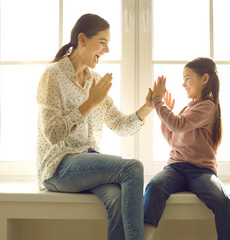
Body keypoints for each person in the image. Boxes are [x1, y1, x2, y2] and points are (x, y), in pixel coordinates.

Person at [36, 14, 153, 240]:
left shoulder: (96, 81)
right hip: (58, 166)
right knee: (132, 167)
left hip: (87, 164)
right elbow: (52, 134)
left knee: (118, 199)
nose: (107, 50)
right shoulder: (53, 76)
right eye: (102, 42)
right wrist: (90, 103)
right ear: (82, 39)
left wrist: (147, 107)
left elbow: (120, 125)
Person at [143, 57, 230, 240]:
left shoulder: (207, 107)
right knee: (154, 186)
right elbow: (173, 138)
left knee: (222, 200)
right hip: (176, 168)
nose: (183, 84)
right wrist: (166, 115)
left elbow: (178, 125)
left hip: (201, 171)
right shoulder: (188, 108)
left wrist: (158, 102)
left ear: (204, 79)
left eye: (187, 78)